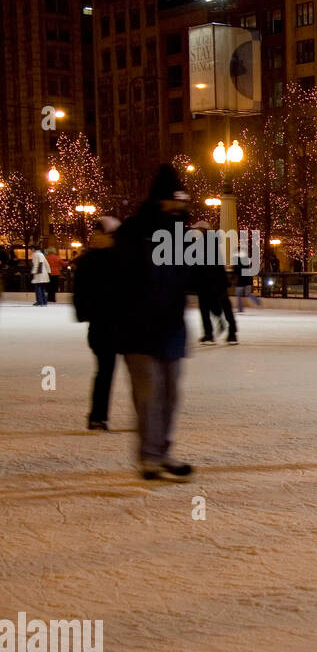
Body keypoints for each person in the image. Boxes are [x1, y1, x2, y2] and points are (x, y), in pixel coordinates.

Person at [114, 164, 197, 480]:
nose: (181, 207)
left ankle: (163, 452)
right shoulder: (133, 232)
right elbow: (120, 280)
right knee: (150, 393)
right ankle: (148, 456)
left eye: (183, 201)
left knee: (171, 393)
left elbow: (189, 277)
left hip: (171, 327)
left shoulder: (182, 237)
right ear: (161, 201)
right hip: (138, 328)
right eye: (176, 200)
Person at [73, 217, 122, 430]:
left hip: (124, 324)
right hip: (103, 325)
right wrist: (86, 312)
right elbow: (80, 293)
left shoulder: (122, 259)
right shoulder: (89, 261)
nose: (94, 237)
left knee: (139, 374)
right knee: (105, 371)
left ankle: (147, 416)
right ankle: (97, 416)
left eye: (99, 233)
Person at [196, 222, 238, 345]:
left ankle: (209, 334)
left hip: (206, 281)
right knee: (225, 307)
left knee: (205, 309)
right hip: (218, 281)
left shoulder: (201, 244)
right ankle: (232, 333)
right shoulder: (213, 242)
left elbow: (199, 265)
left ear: (202, 230)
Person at [232, 244, 262, 312]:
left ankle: (240, 309)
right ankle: (257, 300)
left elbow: (236, 272)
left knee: (238, 295)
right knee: (248, 293)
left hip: (240, 281)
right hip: (247, 280)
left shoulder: (237, 262)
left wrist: (233, 279)